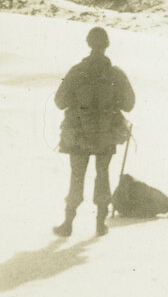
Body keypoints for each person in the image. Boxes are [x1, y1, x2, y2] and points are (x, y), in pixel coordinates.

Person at [52, 27, 135, 237]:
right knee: (103, 175)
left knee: (77, 176)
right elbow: (129, 104)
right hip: (105, 134)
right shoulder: (116, 73)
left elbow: (59, 101)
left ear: (88, 44)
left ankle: (68, 224)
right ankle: (100, 224)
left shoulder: (76, 71)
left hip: (78, 134)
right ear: (106, 45)